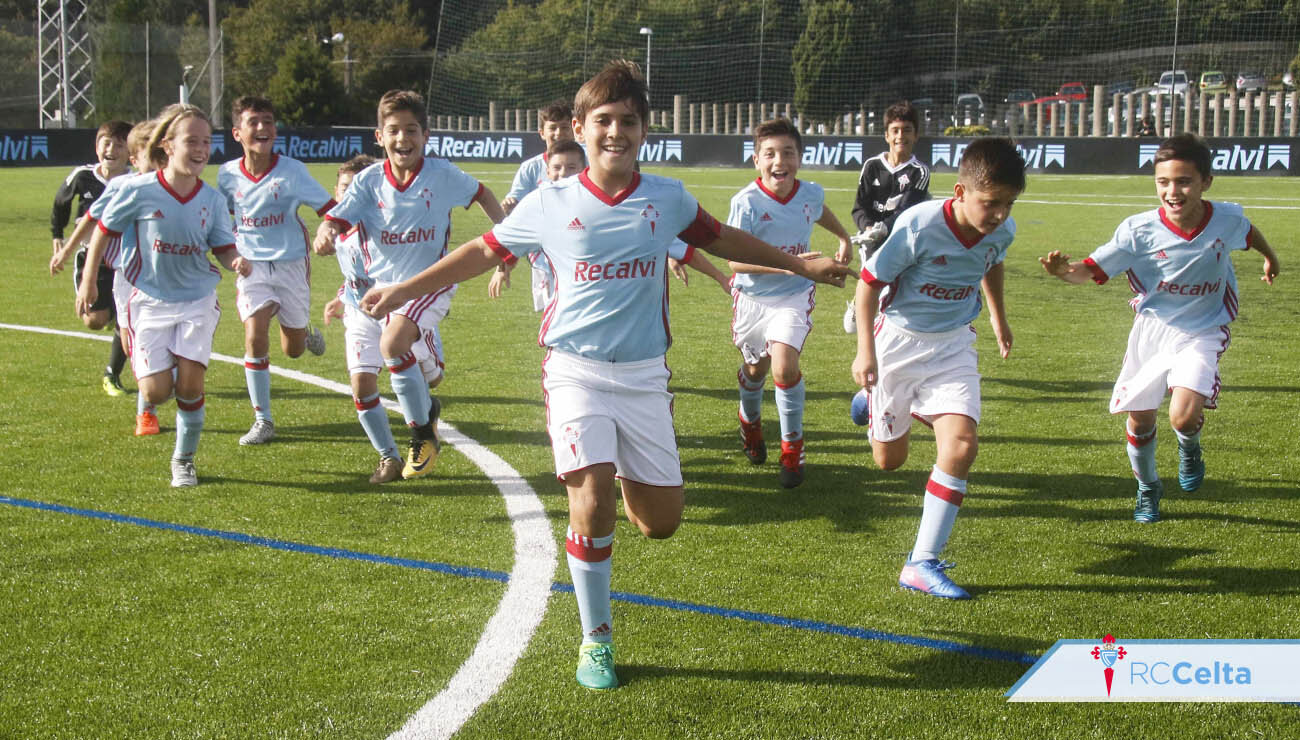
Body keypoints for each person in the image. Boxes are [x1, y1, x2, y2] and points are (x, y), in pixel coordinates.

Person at [359, 60, 849, 691]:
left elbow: (722, 238)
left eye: (628, 121)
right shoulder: (549, 200)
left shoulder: (666, 196)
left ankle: (612, 484)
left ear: (644, 130)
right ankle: (596, 638)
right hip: (574, 372)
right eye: (603, 121)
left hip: (645, 376)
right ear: (580, 129)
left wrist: (797, 267)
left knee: (660, 522)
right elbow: (484, 251)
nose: (615, 131)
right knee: (591, 504)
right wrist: (406, 285)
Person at [1040, 133, 1279, 523]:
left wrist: (1270, 258)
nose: (1172, 191)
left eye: (1184, 181)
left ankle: (1189, 445)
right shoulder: (1138, 230)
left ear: (1206, 182)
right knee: (1141, 419)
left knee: (1182, 417)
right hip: (1152, 330)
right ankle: (1148, 488)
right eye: (1163, 182)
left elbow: (1250, 234)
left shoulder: (1227, 218)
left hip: (1204, 328)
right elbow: (1090, 271)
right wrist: (1062, 272)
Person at [850, 137, 1023, 600]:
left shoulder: (1002, 230)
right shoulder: (919, 225)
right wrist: (865, 353)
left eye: (1008, 204)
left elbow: (993, 262)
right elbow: (868, 288)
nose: (1000, 215)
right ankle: (871, 399)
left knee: (962, 446)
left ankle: (921, 562)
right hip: (898, 346)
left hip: (954, 347)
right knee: (890, 462)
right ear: (960, 192)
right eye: (991, 204)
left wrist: (998, 318)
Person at [313, 89, 504, 480]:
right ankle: (410, 432)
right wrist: (325, 230)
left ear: (426, 135)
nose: (404, 139)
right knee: (374, 374)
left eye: (411, 130)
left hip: (430, 281)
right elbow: (338, 216)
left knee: (394, 343)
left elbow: (482, 193)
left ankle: (421, 434)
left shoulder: (442, 174)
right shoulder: (367, 182)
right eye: (394, 131)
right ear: (379, 137)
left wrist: (506, 239)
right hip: (380, 290)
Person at [76, 104, 249, 488]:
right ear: (168, 145)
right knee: (155, 391)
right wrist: (90, 280)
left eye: (206, 141)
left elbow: (222, 246)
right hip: (149, 300)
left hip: (196, 300)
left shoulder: (213, 200)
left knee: (190, 387)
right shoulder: (138, 189)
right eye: (192, 140)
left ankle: (184, 460)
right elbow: (103, 230)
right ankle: (165, 366)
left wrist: (235, 260)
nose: (201, 149)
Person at [728, 118, 852, 487]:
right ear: (756, 161)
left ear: (800, 157)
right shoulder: (745, 202)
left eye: (788, 152)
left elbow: (818, 209)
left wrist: (843, 236)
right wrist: (788, 266)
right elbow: (734, 261)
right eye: (770, 153)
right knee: (757, 371)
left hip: (794, 294)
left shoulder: (809, 192)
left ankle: (792, 450)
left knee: (783, 366)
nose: (779, 160)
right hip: (752, 297)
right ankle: (749, 422)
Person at [217, 96, 336, 446]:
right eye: (253, 122)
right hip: (251, 267)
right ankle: (263, 420)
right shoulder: (226, 175)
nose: (262, 128)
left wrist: (327, 230)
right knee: (254, 334)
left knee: (293, 350)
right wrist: (226, 249)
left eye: (268, 121)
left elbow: (330, 208)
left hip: (291, 264)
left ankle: (307, 335)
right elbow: (219, 218)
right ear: (237, 132)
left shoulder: (293, 171)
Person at [321, 154, 446, 484]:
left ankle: (427, 410)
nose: (350, 198)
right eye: (344, 189)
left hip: (398, 306)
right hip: (359, 313)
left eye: (357, 191)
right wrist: (340, 297)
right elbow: (355, 275)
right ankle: (388, 458)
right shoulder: (338, 230)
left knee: (428, 380)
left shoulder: (387, 226)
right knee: (362, 386)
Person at [54, 119, 165, 436]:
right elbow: (93, 221)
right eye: (151, 155)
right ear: (136, 159)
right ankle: (146, 411)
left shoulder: (176, 187)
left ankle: (149, 406)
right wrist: (65, 253)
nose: (159, 163)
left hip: (164, 282)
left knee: (160, 352)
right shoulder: (122, 186)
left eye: (162, 154)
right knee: (137, 346)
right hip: (125, 277)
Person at [49, 120, 133, 396]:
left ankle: (112, 374)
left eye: (119, 145)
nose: (111, 149)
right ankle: (108, 315)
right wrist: (58, 239)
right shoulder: (82, 176)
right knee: (94, 320)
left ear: (130, 151)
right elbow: (62, 205)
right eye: (106, 143)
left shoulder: (135, 180)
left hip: (124, 260)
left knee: (127, 318)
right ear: (97, 146)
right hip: (90, 257)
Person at [844, 101, 931, 334]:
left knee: (894, 295)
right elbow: (859, 207)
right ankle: (860, 304)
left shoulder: (919, 172)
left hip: (902, 237)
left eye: (906, 130)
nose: (900, 136)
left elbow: (907, 210)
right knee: (876, 287)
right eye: (895, 130)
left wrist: (884, 228)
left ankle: (882, 335)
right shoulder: (872, 166)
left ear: (916, 135)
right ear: (886, 135)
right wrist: (869, 227)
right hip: (871, 240)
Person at [501, 100, 578, 311]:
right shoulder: (530, 168)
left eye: (564, 127)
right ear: (542, 133)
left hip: (579, 249)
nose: (559, 133)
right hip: (541, 255)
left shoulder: (585, 161)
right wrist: (510, 204)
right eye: (553, 128)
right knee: (551, 313)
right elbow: (514, 202)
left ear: (574, 130)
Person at [488, 139, 584, 301]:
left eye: (571, 168)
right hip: (547, 271)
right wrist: (503, 266)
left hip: (585, 279)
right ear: (547, 172)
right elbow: (517, 239)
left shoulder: (590, 203)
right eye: (557, 168)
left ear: (584, 170)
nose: (563, 173)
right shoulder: (539, 206)